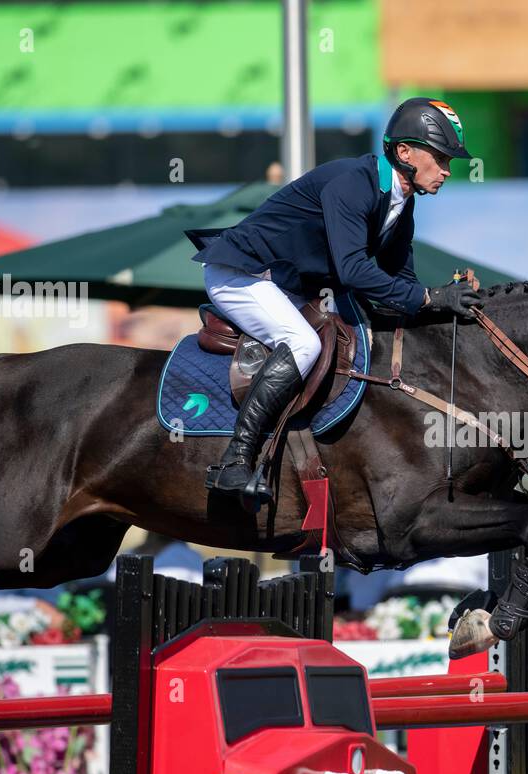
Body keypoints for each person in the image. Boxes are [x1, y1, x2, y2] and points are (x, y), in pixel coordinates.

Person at [190, 97, 482, 511]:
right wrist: (431, 298)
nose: (448, 170)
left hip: (282, 283)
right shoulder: (353, 183)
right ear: (404, 153)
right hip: (240, 274)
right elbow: (353, 271)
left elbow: (402, 283)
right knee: (303, 344)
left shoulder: (402, 200)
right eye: (440, 158)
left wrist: (443, 299)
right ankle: (235, 460)